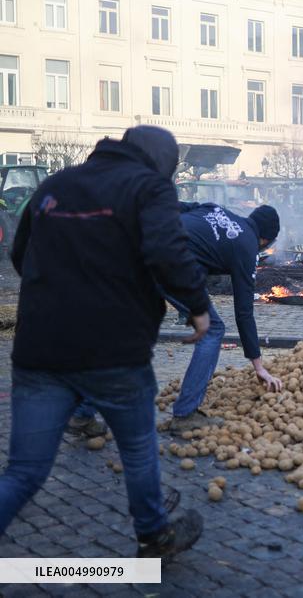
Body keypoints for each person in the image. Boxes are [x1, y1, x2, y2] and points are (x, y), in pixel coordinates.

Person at [0, 126, 210, 557]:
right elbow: (166, 251)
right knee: (136, 448)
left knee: (24, 471)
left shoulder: (56, 184)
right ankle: (153, 536)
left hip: (41, 348)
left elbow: (21, 255)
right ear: (163, 164)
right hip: (113, 350)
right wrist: (197, 305)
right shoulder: (149, 187)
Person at [164, 202, 284, 431]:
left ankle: (82, 412)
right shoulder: (248, 247)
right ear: (265, 241)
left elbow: (176, 206)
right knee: (213, 329)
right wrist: (258, 366)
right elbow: (244, 312)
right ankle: (185, 415)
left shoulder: (214, 209)